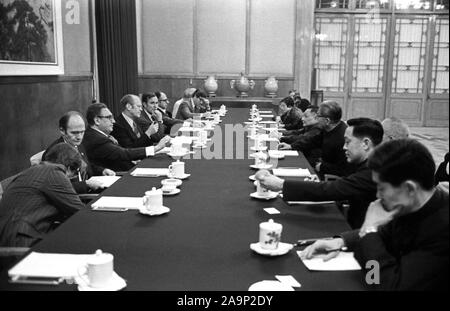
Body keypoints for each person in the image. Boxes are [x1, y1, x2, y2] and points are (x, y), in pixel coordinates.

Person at [300, 139, 449, 291]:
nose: (377, 195)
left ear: (409, 188)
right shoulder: (410, 203)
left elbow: (382, 283)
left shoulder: (443, 229)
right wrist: (342, 242)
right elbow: (385, 233)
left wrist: (369, 231)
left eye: (382, 188)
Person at [257, 118, 384, 229]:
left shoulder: (373, 171)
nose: (344, 147)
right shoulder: (367, 163)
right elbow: (346, 184)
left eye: (348, 142)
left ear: (366, 143)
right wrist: (321, 183)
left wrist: (281, 184)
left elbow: (336, 189)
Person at [0, 143, 85, 247]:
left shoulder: (34, 170)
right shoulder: (54, 172)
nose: (70, 179)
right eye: (74, 174)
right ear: (68, 168)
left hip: (12, 237)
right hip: (23, 242)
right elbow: (79, 211)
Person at [42, 111, 115, 194]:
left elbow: (86, 165)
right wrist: (85, 185)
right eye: (74, 133)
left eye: (82, 132)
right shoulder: (55, 152)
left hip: (89, 191)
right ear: (62, 130)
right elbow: (56, 186)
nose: (79, 137)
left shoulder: (78, 144)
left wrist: (102, 170)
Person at [83, 103, 170, 171]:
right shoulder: (98, 139)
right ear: (97, 120)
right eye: (109, 117)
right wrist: (156, 148)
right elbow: (124, 153)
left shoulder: (98, 135)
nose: (113, 121)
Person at [315, 101, 355, 178]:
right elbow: (313, 141)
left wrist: (322, 166)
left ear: (327, 121)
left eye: (318, 116)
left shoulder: (342, 138)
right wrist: (291, 145)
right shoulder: (326, 129)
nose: (316, 119)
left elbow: (344, 169)